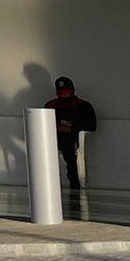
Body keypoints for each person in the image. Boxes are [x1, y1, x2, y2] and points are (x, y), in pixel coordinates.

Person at [46, 75, 98, 220]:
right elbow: (45, 124)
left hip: (71, 139)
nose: (63, 93)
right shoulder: (51, 105)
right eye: (61, 90)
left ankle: (74, 185)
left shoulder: (82, 105)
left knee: (70, 155)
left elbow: (91, 125)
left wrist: (71, 129)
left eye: (66, 90)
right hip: (53, 138)